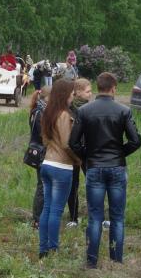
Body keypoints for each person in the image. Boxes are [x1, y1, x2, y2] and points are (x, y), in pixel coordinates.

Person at [69, 72, 141, 269]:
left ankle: (91, 261)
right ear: (114, 88)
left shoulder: (84, 111)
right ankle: (116, 260)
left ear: (98, 86)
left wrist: (88, 155)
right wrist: (119, 154)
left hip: (94, 167)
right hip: (116, 167)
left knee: (95, 217)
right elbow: (136, 141)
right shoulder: (123, 110)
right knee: (117, 217)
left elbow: (73, 142)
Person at [38, 79, 81, 258]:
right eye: (72, 92)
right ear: (65, 94)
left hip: (47, 164)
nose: (74, 95)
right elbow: (66, 143)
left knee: (47, 209)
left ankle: (43, 249)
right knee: (56, 211)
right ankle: (53, 248)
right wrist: (78, 160)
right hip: (61, 167)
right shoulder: (64, 115)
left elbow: (46, 140)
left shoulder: (48, 112)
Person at [66, 78, 93, 228]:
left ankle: (95, 214)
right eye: (88, 91)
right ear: (77, 93)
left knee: (93, 182)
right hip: (74, 152)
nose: (91, 94)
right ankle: (73, 217)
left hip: (88, 151)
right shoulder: (70, 110)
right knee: (73, 185)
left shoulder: (90, 108)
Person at [29, 86, 51, 228]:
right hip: (42, 153)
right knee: (42, 185)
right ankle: (37, 219)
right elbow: (42, 134)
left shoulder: (41, 111)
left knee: (43, 185)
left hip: (43, 152)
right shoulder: (39, 112)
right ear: (46, 98)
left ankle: (42, 216)